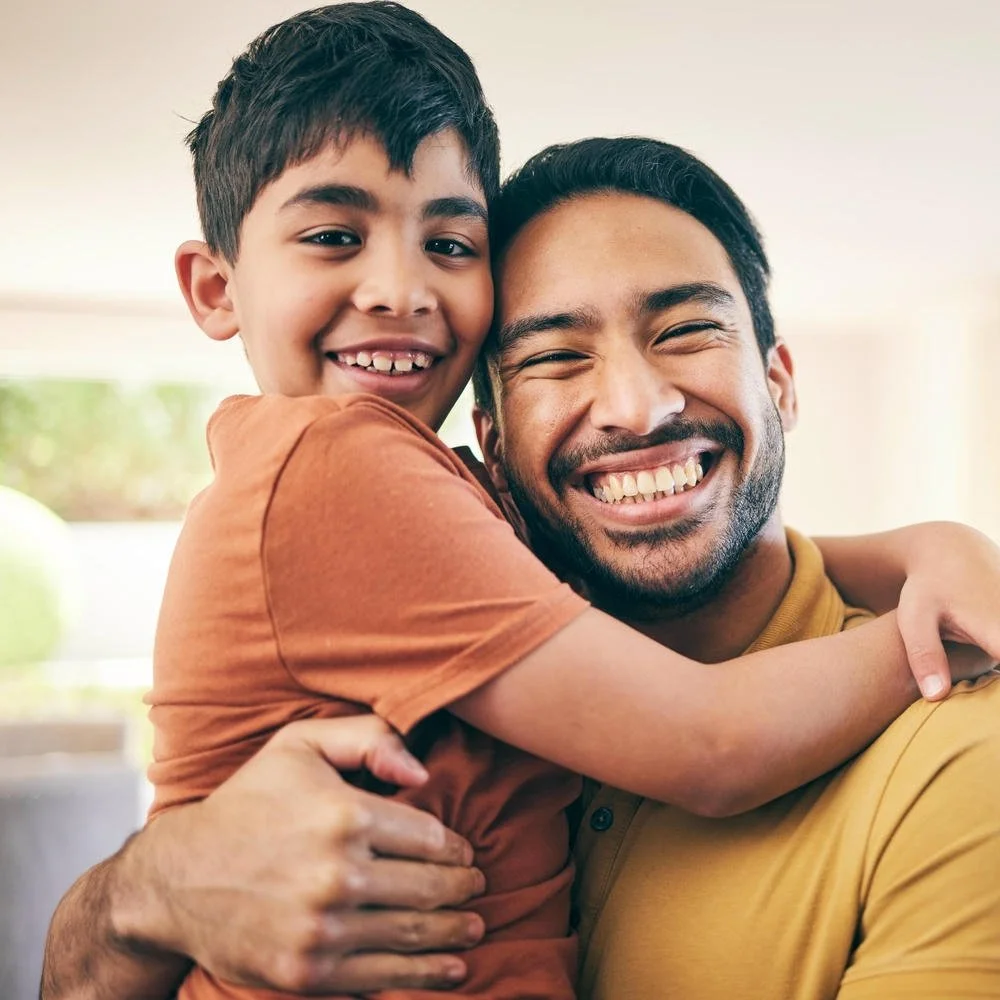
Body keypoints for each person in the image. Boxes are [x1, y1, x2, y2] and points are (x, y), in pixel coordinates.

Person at [40, 6, 1000, 1000]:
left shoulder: (958, 766)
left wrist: (926, 552)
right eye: (551, 355)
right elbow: (711, 742)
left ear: (783, 383)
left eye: (450, 245)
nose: (399, 288)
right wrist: (938, 634)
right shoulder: (340, 465)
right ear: (213, 287)